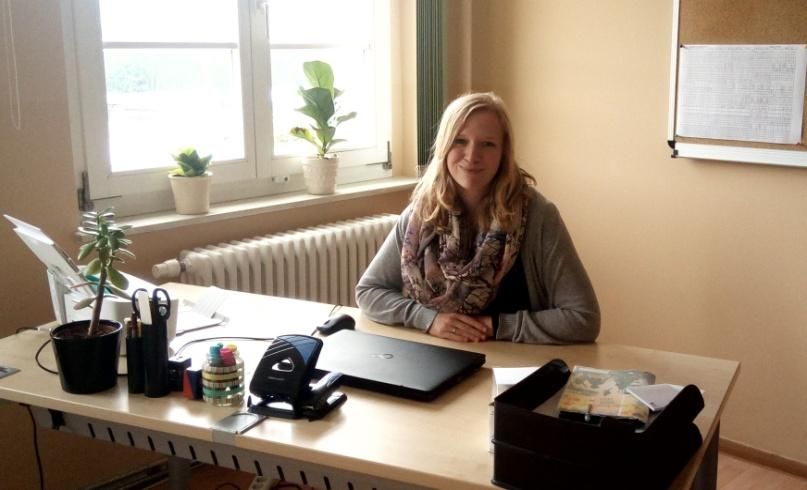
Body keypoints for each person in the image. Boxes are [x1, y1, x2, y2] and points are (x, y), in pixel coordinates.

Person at [356, 92, 599, 344]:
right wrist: (429, 320)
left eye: (488, 144)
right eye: (460, 141)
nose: (472, 156)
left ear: (504, 152)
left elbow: (584, 318)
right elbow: (369, 292)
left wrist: (494, 326)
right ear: (444, 146)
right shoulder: (423, 212)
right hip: (437, 352)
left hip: (515, 360)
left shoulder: (538, 216)